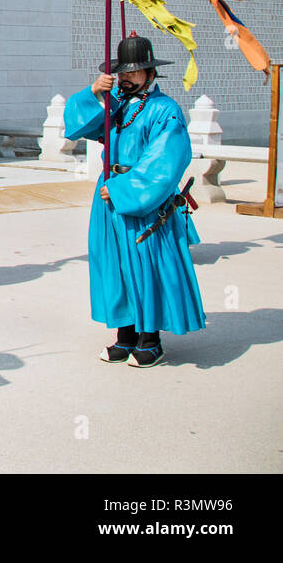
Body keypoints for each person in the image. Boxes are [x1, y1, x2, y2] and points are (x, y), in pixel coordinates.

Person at [64, 33, 205, 367]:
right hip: (108, 197)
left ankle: (150, 339)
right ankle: (124, 335)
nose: (126, 77)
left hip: (142, 200)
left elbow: (167, 161)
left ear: (151, 74)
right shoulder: (117, 106)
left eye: (134, 71)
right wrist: (94, 93)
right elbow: (77, 127)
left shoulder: (164, 110)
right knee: (113, 265)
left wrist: (125, 188)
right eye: (122, 72)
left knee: (146, 266)